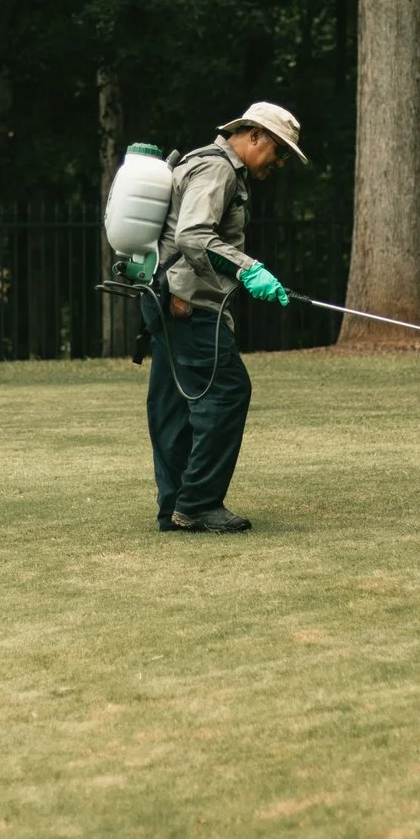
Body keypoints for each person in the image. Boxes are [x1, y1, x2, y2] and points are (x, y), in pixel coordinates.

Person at [144, 102, 306, 533]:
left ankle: (174, 508)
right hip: (189, 305)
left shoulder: (203, 161)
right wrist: (248, 268)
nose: (280, 162)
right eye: (279, 150)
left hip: (167, 301)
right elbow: (193, 234)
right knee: (228, 392)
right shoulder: (218, 169)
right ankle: (197, 504)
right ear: (254, 135)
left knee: (172, 408)